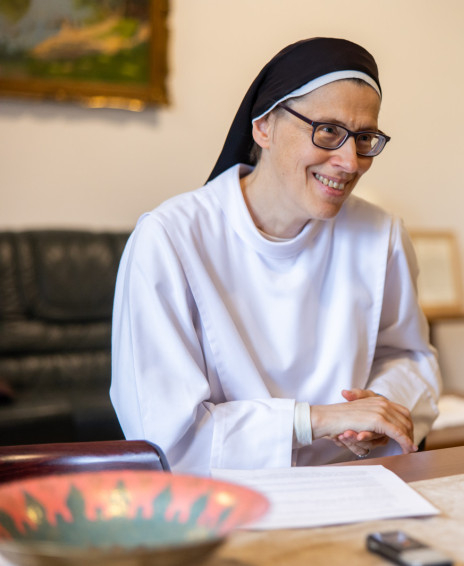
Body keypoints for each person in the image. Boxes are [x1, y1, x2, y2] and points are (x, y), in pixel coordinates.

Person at [110, 37, 442, 475]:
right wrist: (313, 421)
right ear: (264, 126)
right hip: (226, 493)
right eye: (328, 131)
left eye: (364, 138)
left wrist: (380, 409)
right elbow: (166, 439)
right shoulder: (168, 239)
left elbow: (408, 357)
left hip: (353, 481)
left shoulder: (382, 235)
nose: (350, 162)